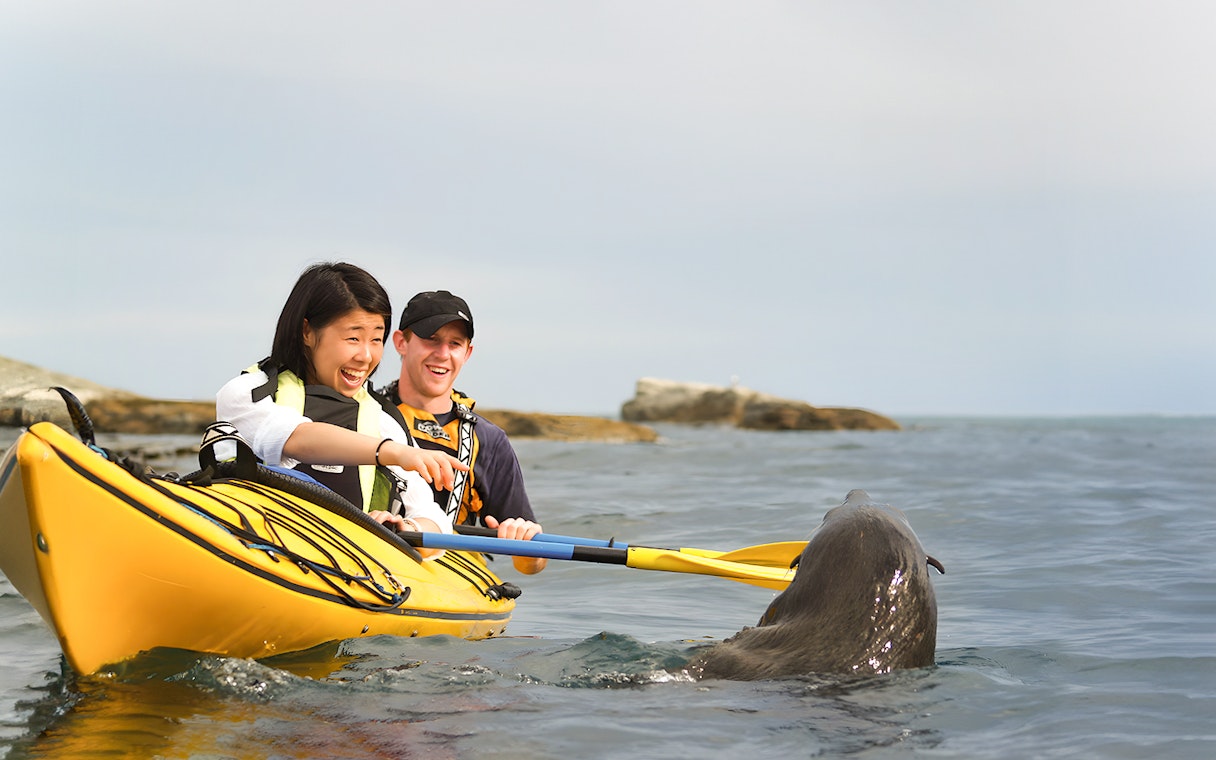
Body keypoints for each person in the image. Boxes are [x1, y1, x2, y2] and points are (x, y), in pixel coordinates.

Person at [216, 263, 464, 555]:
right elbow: (296, 437)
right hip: (256, 550)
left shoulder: (384, 422)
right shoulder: (250, 393)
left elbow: (435, 520)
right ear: (307, 331)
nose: (366, 356)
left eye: (376, 339)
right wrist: (394, 452)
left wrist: (405, 529)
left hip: (347, 572)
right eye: (353, 338)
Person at [380, 290, 547, 574]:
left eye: (454, 344)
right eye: (431, 339)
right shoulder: (365, 414)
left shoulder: (489, 440)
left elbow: (531, 565)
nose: (443, 354)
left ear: (467, 353)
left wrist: (526, 541)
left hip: (452, 579)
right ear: (401, 342)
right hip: (375, 560)